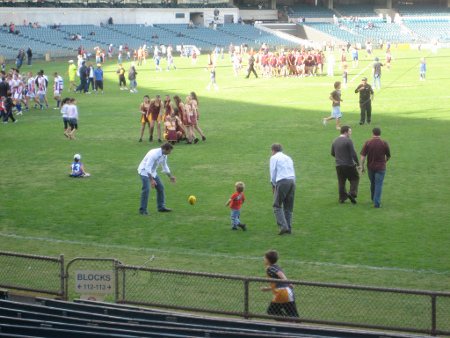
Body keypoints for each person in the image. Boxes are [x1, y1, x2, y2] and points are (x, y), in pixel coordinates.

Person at [137, 142, 177, 215]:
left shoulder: (164, 155)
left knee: (160, 188)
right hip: (144, 171)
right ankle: (142, 210)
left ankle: (161, 208)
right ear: (164, 149)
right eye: (169, 151)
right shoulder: (154, 154)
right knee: (146, 190)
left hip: (152, 172)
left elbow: (164, 166)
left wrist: (170, 176)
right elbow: (147, 168)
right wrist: (152, 180)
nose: (170, 152)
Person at [260, 250, 299, 319]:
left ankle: (286, 322)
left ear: (268, 260)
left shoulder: (270, 268)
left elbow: (279, 274)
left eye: (265, 258)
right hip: (288, 292)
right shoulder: (276, 266)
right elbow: (278, 282)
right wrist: (267, 288)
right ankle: (294, 323)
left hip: (281, 293)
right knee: (293, 315)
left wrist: (289, 283)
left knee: (272, 310)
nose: (264, 260)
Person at [360, 128, 391, 208]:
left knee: (373, 183)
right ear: (380, 133)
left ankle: (374, 198)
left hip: (371, 167)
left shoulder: (368, 142)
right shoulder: (384, 143)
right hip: (381, 168)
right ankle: (376, 202)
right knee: (379, 184)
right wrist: (385, 161)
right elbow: (388, 156)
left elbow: (363, 156)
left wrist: (362, 166)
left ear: (372, 133)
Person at [331, 126, 361, 204]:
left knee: (341, 182)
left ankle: (342, 198)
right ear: (345, 132)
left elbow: (332, 153)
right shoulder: (348, 141)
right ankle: (352, 193)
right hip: (349, 164)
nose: (350, 133)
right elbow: (353, 153)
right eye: (350, 131)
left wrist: (339, 157)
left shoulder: (335, 141)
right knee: (355, 178)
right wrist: (358, 164)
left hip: (338, 165)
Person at [270, 143, 295, 235]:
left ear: (273, 150)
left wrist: (273, 185)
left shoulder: (274, 158)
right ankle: (289, 228)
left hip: (282, 182)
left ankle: (283, 227)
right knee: (288, 207)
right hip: (292, 181)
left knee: (277, 205)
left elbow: (273, 172)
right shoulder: (288, 158)